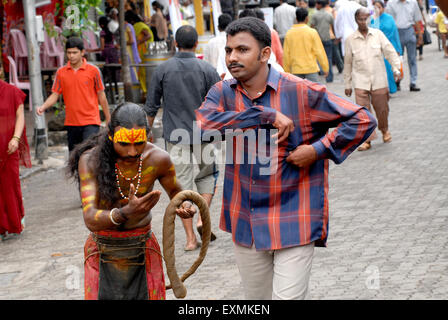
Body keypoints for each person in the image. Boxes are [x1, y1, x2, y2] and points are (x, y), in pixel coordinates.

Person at [195, 16, 377, 300]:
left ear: (265, 54)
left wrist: (318, 150)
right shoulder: (222, 93)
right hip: (246, 220)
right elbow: (204, 126)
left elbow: (362, 119)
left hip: (294, 216)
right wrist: (264, 114)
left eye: (242, 50)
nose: (232, 57)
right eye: (229, 50)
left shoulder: (300, 91)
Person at [67, 102, 196, 300]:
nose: (132, 152)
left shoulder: (159, 159)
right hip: (102, 251)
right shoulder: (90, 160)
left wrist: (186, 206)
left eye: (139, 143)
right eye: (124, 144)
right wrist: (125, 213)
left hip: (143, 248)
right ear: (111, 137)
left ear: (149, 136)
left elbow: (179, 196)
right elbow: (90, 218)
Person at [144, 26, 221, 251]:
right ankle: (201, 218)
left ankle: (189, 239)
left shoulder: (162, 70)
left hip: (175, 137)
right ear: (197, 44)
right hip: (204, 134)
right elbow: (219, 103)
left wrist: (146, 136)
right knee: (208, 176)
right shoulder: (207, 69)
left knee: (180, 187)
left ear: (174, 44)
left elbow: (151, 106)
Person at [36, 37, 111, 153]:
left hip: (91, 121)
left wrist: (108, 117)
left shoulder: (93, 71)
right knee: (74, 159)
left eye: (75, 52)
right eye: (69, 53)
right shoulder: (61, 72)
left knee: (89, 156)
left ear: (82, 52)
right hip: (72, 123)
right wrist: (43, 107)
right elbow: (55, 94)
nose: (71, 56)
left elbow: (102, 96)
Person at [344, 7, 401, 151]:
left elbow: (390, 52)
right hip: (360, 81)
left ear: (369, 19)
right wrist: (347, 83)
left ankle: (384, 130)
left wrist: (396, 68)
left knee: (382, 109)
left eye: (365, 19)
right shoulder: (350, 40)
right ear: (356, 20)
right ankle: (367, 139)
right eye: (360, 19)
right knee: (363, 112)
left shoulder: (378, 35)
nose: (363, 22)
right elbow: (348, 63)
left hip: (379, 79)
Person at [0, 68, 31, 240]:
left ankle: (14, 221)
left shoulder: (12, 92)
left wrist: (15, 138)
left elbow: (20, 116)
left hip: (9, 146)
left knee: (10, 185)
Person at [283, 7, 329, 82]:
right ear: (307, 19)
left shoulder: (289, 33)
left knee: (298, 93)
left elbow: (286, 55)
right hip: (311, 69)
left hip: (296, 70)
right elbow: (319, 51)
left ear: (296, 19)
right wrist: (325, 68)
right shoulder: (312, 32)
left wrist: (287, 71)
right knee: (313, 92)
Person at [386, 0, 423, 91]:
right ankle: (397, 81)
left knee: (412, 59)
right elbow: (388, 21)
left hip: (410, 30)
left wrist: (420, 35)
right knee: (397, 59)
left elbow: (417, 19)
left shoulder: (413, 2)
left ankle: (413, 82)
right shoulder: (391, 3)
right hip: (396, 32)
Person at [371, 0, 403, 94]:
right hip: (377, 48)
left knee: (390, 69)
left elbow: (395, 34)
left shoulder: (389, 18)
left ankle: (391, 88)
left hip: (389, 46)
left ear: (383, 8)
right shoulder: (372, 20)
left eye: (379, 7)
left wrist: (398, 49)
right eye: (375, 7)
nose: (377, 9)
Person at [126, 10, 154, 95]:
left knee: (143, 71)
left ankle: (146, 91)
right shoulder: (140, 25)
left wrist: (138, 42)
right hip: (144, 51)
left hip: (144, 50)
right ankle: (145, 91)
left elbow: (148, 35)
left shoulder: (138, 26)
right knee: (142, 71)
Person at [311, 0, 335, 82]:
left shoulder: (315, 15)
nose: (316, 5)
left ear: (320, 5)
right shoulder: (329, 14)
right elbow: (332, 26)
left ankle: (322, 72)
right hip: (327, 38)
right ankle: (329, 77)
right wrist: (334, 36)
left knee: (318, 57)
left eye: (317, 4)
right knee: (329, 58)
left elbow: (312, 27)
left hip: (318, 40)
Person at [124, 10, 142, 84]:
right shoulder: (127, 26)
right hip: (128, 52)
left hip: (130, 52)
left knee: (132, 71)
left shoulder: (128, 27)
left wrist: (122, 43)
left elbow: (131, 41)